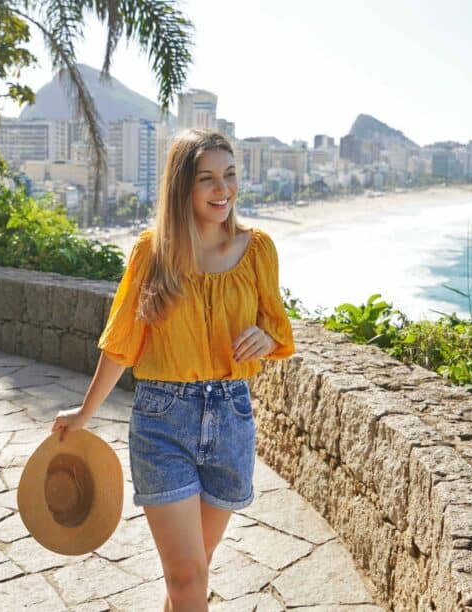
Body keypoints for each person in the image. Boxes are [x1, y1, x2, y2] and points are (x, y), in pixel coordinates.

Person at [50, 128, 295, 611]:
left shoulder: (258, 249)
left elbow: (278, 330)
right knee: (186, 579)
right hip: (163, 422)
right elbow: (121, 344)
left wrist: (265, 339)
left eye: (229, 176)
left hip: (231, 420)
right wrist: (85, 412)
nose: (222, 190)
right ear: (182, 186)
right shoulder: (152, 252)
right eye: (207, 179)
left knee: (191, 577)